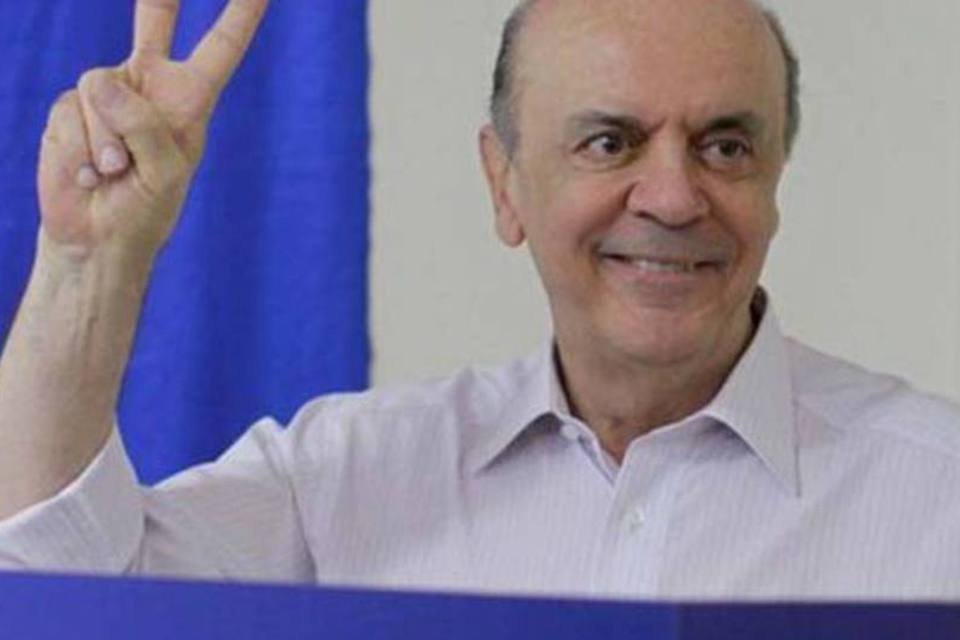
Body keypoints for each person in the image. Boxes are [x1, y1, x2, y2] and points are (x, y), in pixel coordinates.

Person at [1, 0, 959, 600]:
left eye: (725, 146)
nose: (673, 197)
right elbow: (55, 591)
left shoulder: (938, 499)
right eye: (610, 142)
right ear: (505, 186)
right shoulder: (337, 482)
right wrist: (92, 259)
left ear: (775, 179)